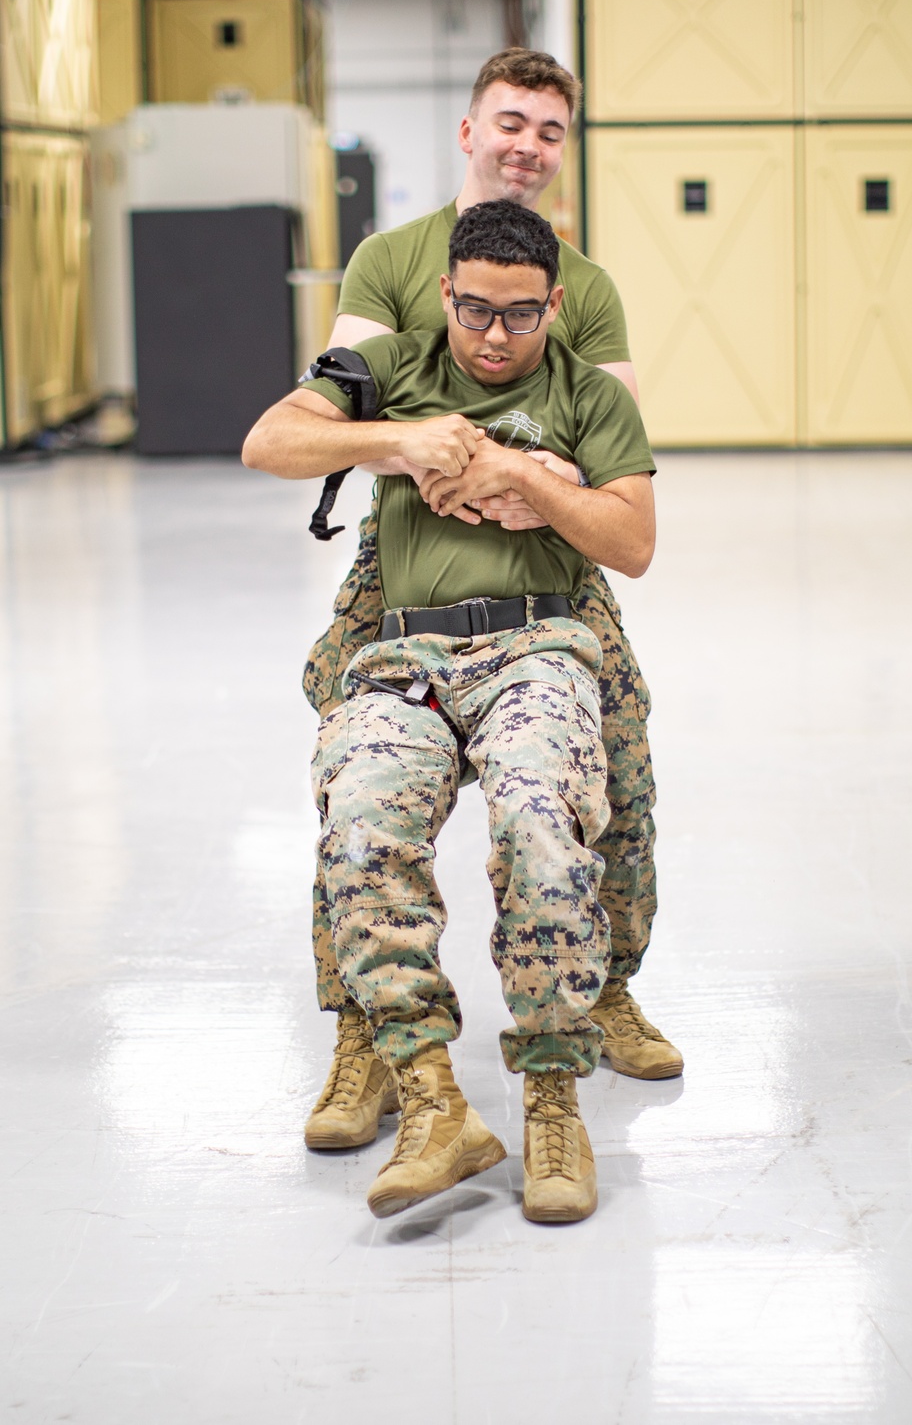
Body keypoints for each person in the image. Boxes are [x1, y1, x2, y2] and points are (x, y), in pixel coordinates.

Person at [244, 201, 657, 1223]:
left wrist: (522, 472)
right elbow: (270, 442)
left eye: (520, 316)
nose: (493, 335)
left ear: (554, 307)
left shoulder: (588, 395)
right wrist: (403, 439)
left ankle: (551, 1096)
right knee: (361, 827)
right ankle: (433, 1100)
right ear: (444, 293)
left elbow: (633, 540)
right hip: (405, 650)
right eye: (475, 309)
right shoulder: (388, 363)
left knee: (541, 828)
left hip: (538, 643)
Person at [302, 48, 681, 1157]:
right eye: (508, 122)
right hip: (404, 580)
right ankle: (368, 1035)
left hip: (550, 580)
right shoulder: (392, 260)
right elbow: (327, 412)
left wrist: (534, 482)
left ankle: (599, 987)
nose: (526, 145)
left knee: (608, 784)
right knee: (351, 788)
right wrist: (411, 445)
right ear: (467, 130)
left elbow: (609, 442)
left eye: (548, 132)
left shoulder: (585, 281)